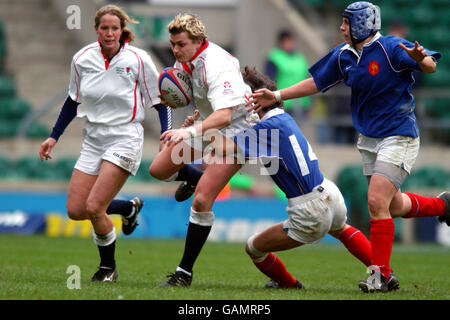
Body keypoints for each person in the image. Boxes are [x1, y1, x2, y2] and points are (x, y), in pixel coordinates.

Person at [248, 1, 449, 293]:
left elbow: (430, 64)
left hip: (399, 134)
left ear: (363, 25)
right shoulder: (344, 55)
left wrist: (422, 60)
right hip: (369, 139)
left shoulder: (392, 48)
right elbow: (316, 83)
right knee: (391, 205)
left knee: (376, 202)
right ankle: (443, 204)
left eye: (346, 22)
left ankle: (380, 276)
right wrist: (277, 95)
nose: (341, 27)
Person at [39, 5, 171, 282]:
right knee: (76, 210)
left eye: (115, 28)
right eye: (104, 28)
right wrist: (53, 136)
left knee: (95, 208)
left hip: (125, 137)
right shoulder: (82, 58)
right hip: (93, 138)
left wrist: (166, 133)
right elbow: (73, 100)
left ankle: (107, 268)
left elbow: (161, 100)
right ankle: (127, 208)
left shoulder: (138, 58)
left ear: (122, 30)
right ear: (96, 29)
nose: (110, 33)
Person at [148, 13, 259, 286]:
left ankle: (184, 273)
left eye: (181, 44)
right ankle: (197, 178)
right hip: (208, 126)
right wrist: (192, 120)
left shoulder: (217, 64)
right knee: (159, 169)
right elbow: (202, 103)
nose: (175, 50)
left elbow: (224, 115)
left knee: (200, 202)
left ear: (199, 41)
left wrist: (186, 132)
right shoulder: (185, 60)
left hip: (239, 133)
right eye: (173, 44)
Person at [264, 29, 310, 120]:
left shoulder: (300, 58)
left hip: (301, 102)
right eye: (286, 41)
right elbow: (268, 80)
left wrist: (310, 103)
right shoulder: (274, 57)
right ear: (281, 43)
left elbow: (307, 78)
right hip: (282, 102)